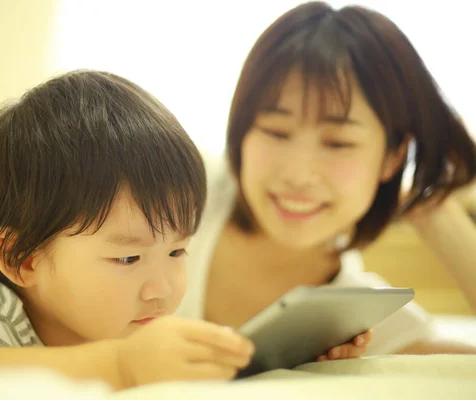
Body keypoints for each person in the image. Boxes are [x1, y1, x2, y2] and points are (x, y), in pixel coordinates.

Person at [0, 69, 369, 387]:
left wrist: (288, 361)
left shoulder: (112, 316)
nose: (163, 288)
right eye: (128, 259)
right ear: (24, 259)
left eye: (177, 252)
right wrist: (121, 365)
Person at [174, 2, 476, 357]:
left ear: (393, 157)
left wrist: (433, 211)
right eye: (276, 132)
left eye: (338, 143)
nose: (299, 176)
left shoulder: (358, 320)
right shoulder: (174, 195)